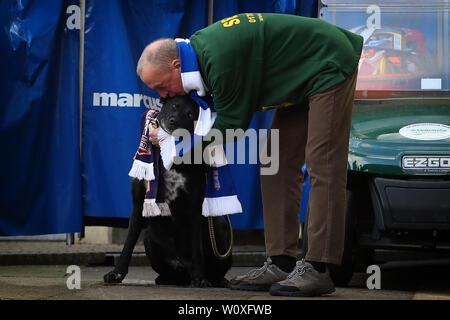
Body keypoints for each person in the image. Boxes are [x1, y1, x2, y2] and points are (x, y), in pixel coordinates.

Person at [136, 13, 363, 297]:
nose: (163, 96)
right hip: (300, 75)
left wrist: (179, 155)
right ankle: (281, 262)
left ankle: (318, 267)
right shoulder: (201, 56)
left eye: (161, 86)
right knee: (275, 161)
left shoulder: (218, 60)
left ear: (177, 65)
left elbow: (232, 125)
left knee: (322, 162)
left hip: (327, 62)